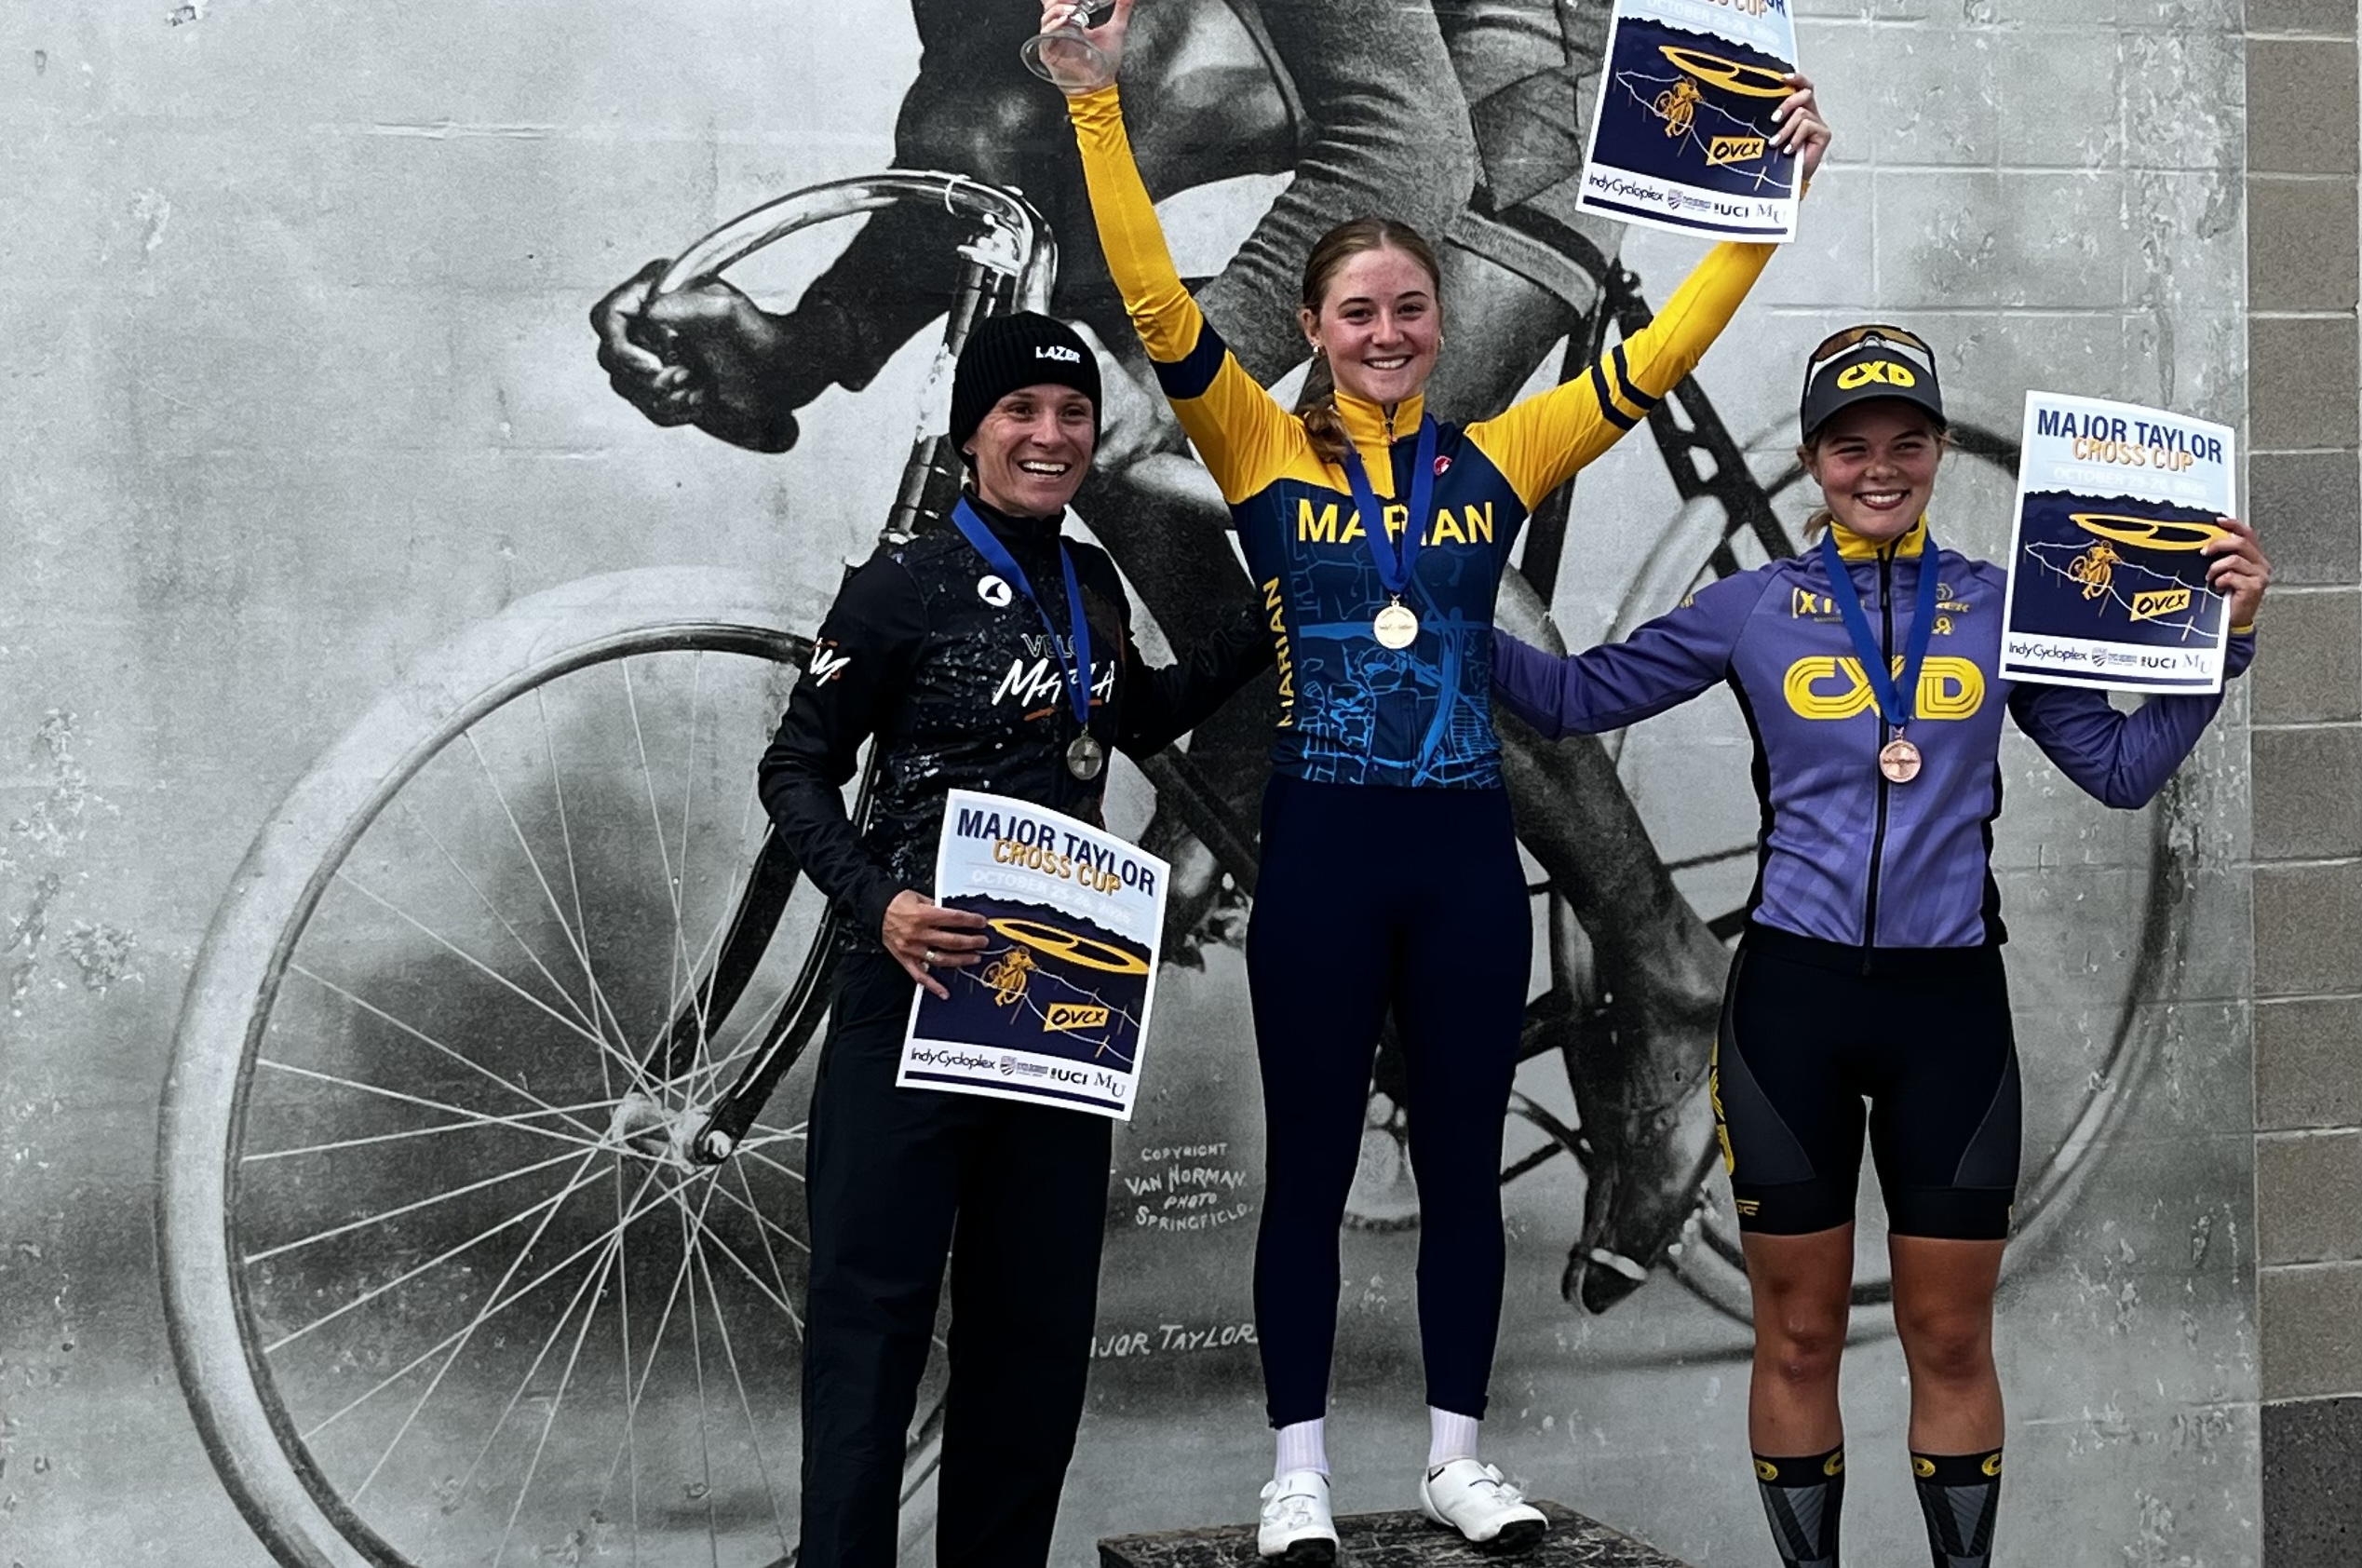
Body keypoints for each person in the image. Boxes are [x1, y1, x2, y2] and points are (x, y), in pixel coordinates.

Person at [1043, 0, 1830, 1554]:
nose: (1385, 343)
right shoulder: (1275, 416)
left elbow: (1640, 343)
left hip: (1548, 89)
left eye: (1401, 318)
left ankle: (1669, 970)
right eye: (1355, 323)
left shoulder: (1471, 437)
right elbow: (1147, 288)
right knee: (1143, 435)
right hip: (1413, 110)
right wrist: (1079, 113)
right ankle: (1298, 1470)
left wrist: (1764, 212)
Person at [1488, 325, 2271, 1568]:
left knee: (1949, 1341)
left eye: (1906, 442)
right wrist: (1418, 601)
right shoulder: (1753, 607)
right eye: (1850, 446)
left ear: (1940, 449)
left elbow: (2121, 769)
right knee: (1797, 1341)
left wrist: (2222, 644)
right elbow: (1572, 700)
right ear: (1813, 462)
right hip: (1789, 1011)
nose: (1880, 468)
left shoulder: (2002, 607)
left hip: (1947, 1014)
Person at [756, 310, 1271, 1568]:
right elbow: (795, 770)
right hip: (907, 1001)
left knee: (1032, 1343)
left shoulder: (1088, 582)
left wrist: (1273, 610)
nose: (1050, 436)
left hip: (1050, 1011)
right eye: (1019, 412)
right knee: (870, 1333)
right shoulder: (899, 584)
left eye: (1073, 414)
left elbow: (1131, 716)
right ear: (971, 432)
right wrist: (876, 901)